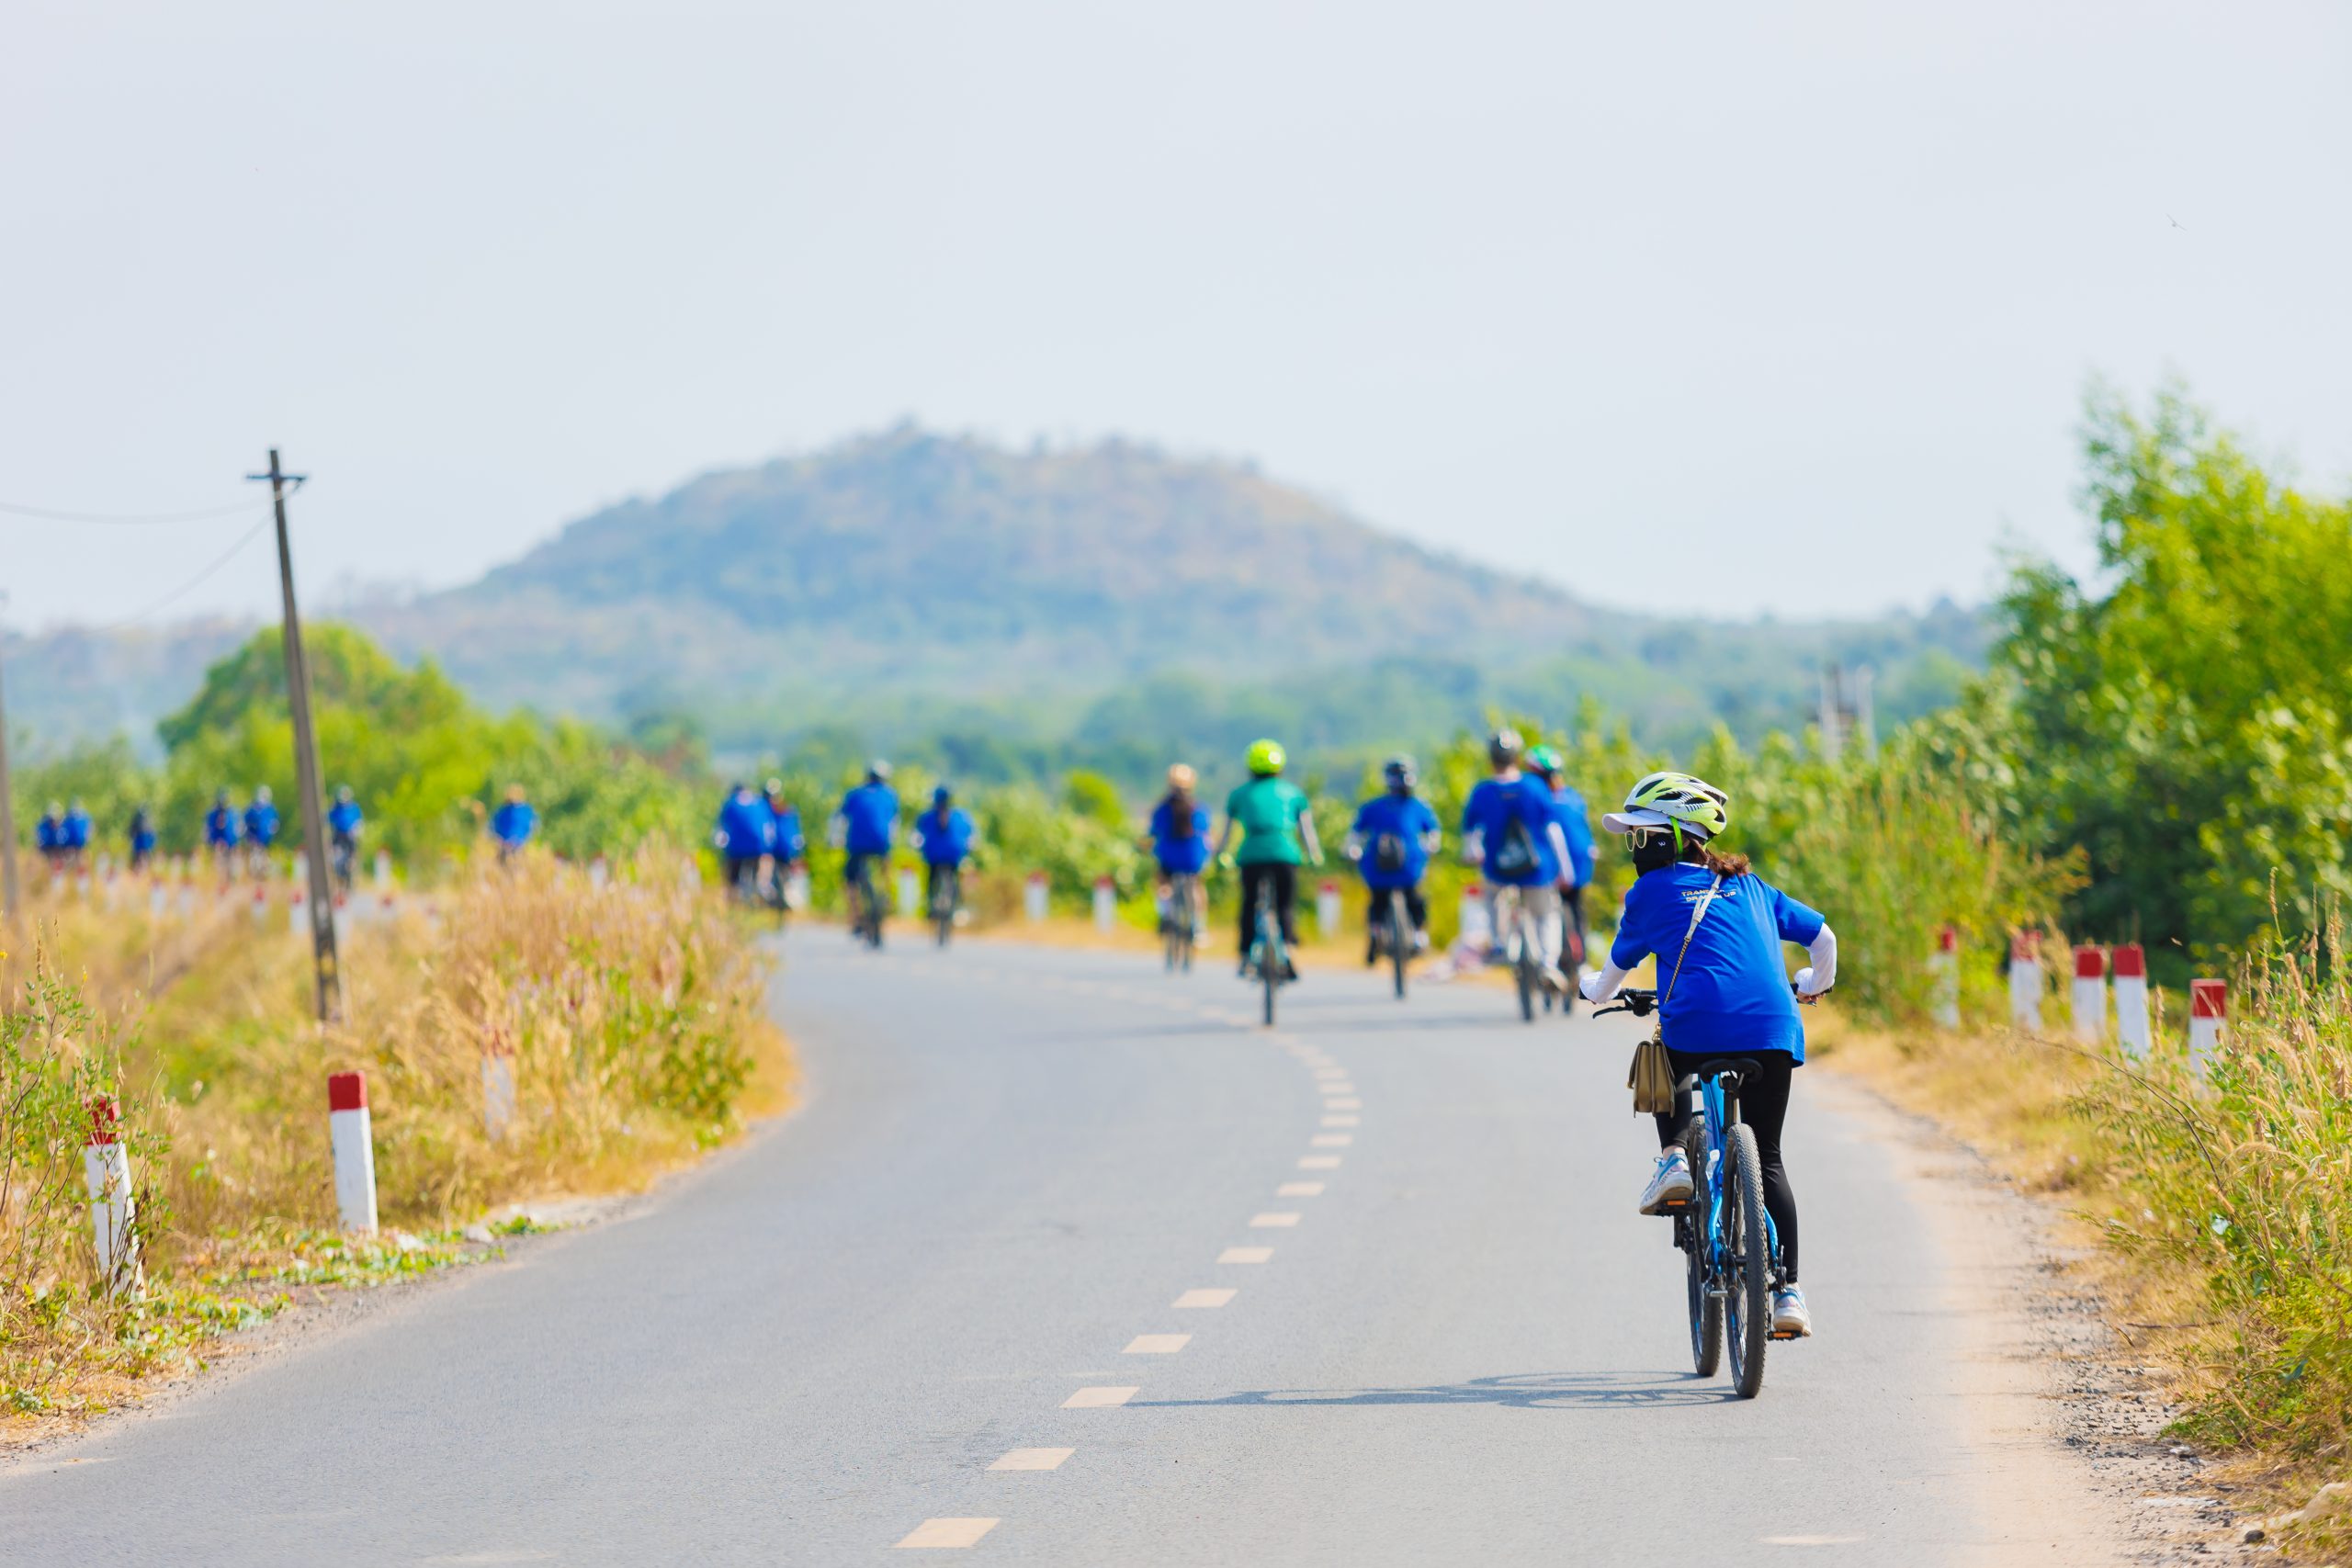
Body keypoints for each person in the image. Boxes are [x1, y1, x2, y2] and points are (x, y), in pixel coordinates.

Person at [1578, 770, 1838, 1339]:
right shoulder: (1755, 888)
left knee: (1665, 1050)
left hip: (1695, 1029)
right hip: (1774, 1030)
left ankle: (1674, 1156)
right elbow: (1824, 939)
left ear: (1675, 836)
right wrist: (1813, 986)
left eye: (1642, 835)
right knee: (1767, 1158)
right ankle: (1789, 1292)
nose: (1634, 847)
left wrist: (1590, 988)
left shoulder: (1649, 893)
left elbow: (1612, 975)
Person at [1459, 728, 1574, 991]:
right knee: (1547, 915)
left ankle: (1500, 944)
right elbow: (1553, 830)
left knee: (1491, 896)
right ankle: (1548, 964)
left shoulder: (1483, 791)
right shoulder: (1534, 787)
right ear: (1517, 757)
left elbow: (1471, 834)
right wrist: (1565, 870)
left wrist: (1473, 854)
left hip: (1499, 869)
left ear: (1491, 758)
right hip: (1538, 870)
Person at [1211, 739, 1321, 978]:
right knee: (1285, 905)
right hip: (1286, 854)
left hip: (1251, 855)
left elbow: (1227, 832)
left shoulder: (1239, 794)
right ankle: (1289, 950)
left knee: (1250, 904)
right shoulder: (1293, 793)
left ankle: (1244, 955)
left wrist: (1221, 855)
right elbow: (1306, 831)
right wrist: (1313, 855)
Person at [1346, 756, 1442, 958]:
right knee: (1413, 898)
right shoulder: (1417, 806)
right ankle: (1417, 935)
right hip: (1405, 866)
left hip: (1383, 867)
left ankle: (1379, 933)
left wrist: (1353, 851)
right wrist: (1431, 846)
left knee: (1380, 901)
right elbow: (1433, 833)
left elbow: (1355, 836)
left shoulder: (1374, 807)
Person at [1525, 745, 1597, 977]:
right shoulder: (1571, 797)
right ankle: (1579, 962)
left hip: (1554, 869)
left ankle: (1566, 960)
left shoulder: (1539, 801)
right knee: (1574, 913)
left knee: (1559, 914)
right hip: (1576, 865)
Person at [831, 761, 900, 930]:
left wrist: (835, 840)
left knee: (850, 880)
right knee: (885, 864)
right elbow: (894, 822)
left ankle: (856, 916)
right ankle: (887, 893)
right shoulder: (890, 795)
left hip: (857, 844)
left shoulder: (855, 794)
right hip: (881, 843)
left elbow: (840, 818)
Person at [1147, 764, 1211, 939]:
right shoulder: (1199, 808)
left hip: (1169, 857)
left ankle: (1165, 914)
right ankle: (1198, 925)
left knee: (1163, 883)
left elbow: (1153, 833)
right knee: (1197, 886)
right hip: (1193, 857)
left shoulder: (1162, 809)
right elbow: (1206, 833)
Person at [910, 784, 978, 919]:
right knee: (955, 877)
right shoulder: (962, 815)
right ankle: (957, 905)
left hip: (933, 856)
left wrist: (917, 847)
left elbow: (916, 837)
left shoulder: (926, 816)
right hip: (954, 855)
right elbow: (972, 837)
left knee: (931, 879)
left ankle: (930, 905)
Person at [714, 782, 775, 896]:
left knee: (732, 878)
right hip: (757, 846)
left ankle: (732, 897)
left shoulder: (730, 803)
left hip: (735, 848)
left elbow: (721, 829)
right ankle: (759, 892)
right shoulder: (760, 802)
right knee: (759, 872)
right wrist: (767, 848)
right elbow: (769, 829)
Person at [763, 779, 807, 907]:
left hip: (777, 849)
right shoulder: (789, 811)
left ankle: (775, 897)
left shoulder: (768, 812)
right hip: (788, 848)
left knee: (770, 869)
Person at [327, 786, 365, 891]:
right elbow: (327, 818)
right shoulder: (335, 808)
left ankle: (351, 864)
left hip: (350, 835)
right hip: (338, 834)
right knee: (332, 851)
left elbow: (359, 822)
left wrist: (357, 830)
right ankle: (334, 869)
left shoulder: (354, 808)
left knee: (352, 853)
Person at [491, 785, 537, 860]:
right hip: (505, 845)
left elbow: (532, 827)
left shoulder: (526, 811)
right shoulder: (503, 810)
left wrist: (525, 840)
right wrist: (499, 839)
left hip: (520, 845)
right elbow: (494, 825)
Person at [243, 786, 280, 877]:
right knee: (254, 857)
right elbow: (245, 822)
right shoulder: (252, 809)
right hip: (254, 838)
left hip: (265, 838)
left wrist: (272, 830)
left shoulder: (270, 809)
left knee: (264, 857)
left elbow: (274, 823)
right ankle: (254, 874)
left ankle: (262, 874)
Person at [203, 790, 243, 875]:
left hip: (230, 840)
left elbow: (238, 826)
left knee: (231, 859)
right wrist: (207, 837)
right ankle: (220, 875)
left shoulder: (233, 812)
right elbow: (207, 827)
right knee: (219, 859)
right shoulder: (212, 814)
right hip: (218, 840)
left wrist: (238, 836)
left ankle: (230, 875)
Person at [127, 805, 159, 874]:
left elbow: (131, 832)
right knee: (139, 858)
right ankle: (137, 870)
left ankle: (141, 869)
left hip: (143, 846)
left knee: (143, 858)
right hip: (140, 846)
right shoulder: (140, 821)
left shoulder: (147, 823)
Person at [36, 802, 67, 873]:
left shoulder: (63, 826)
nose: (54, 822)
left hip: (59, 849)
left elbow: (64, 838)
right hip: (47, 848)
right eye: (52, 820)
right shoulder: (43, 826)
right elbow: (39, 839)